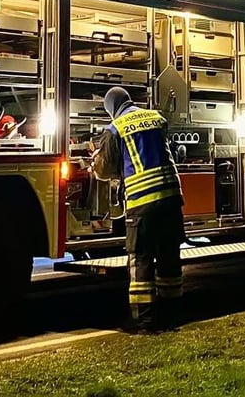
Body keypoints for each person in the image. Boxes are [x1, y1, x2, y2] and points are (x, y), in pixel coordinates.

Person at [91, 86, 185, 333]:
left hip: (142, 202)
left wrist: (95, 161)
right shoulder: (156, 117)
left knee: (141, 259)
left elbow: (105, 169)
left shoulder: (116, 128)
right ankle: (171, 316)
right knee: (169, 257)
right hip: (171, 198)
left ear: (111, 108)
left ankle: (144, 321)